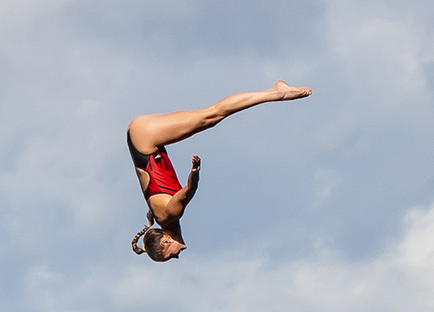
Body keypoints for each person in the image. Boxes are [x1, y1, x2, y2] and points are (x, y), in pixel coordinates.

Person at [128, 80, 312, 262]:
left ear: (166, 241)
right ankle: (275, 92)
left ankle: (277, 92)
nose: (176, 256)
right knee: (210, 117)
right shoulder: (163, 218)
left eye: (170, 255)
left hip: (146, 137)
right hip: (142, 139)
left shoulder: (170, 215)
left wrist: (194, 172)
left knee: (212, 115)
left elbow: (188, 191)